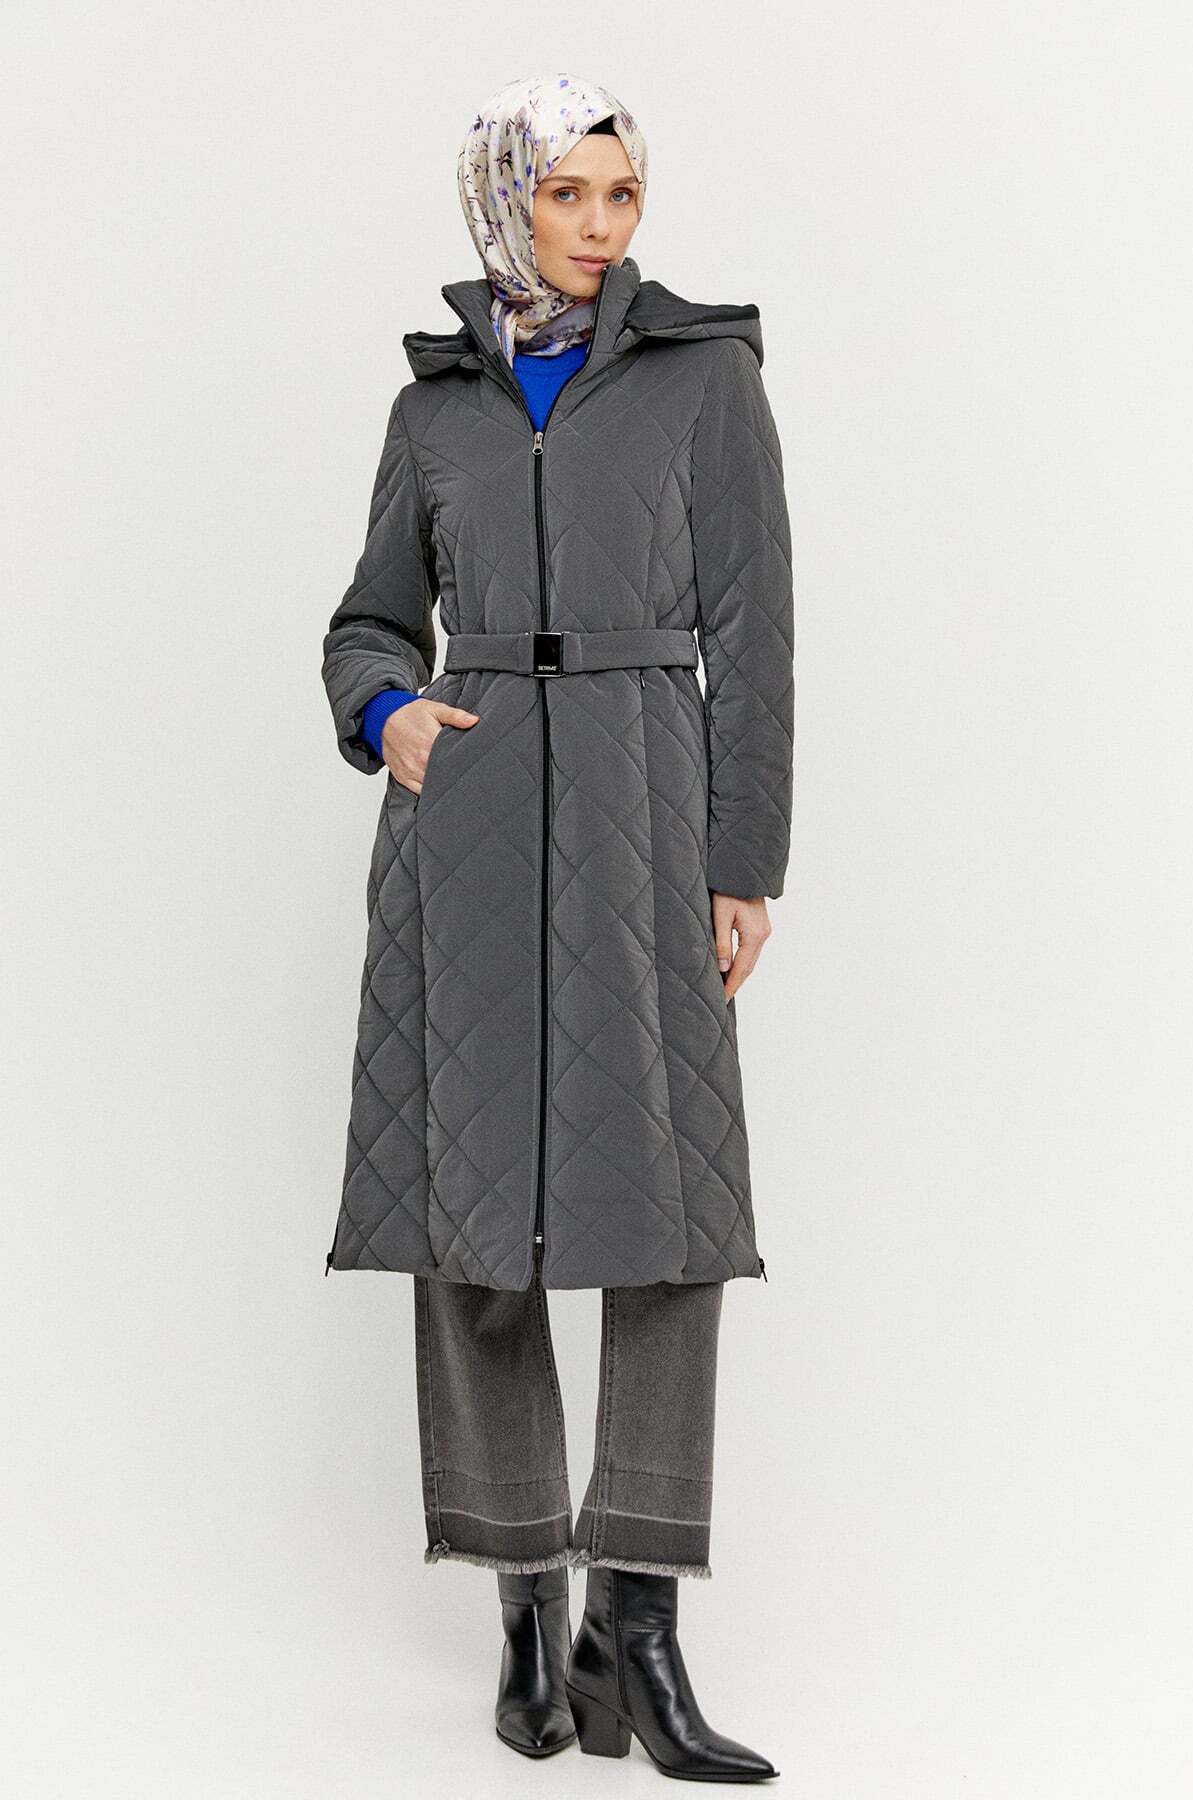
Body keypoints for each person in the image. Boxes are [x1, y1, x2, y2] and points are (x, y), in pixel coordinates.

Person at [320, 72, 794, 1782]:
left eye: (622, 194)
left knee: (671, 1218)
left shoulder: (703, 380)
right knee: (471, 1222)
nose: (598, 227)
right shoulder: (434, 407)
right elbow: (369, 623)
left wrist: (744, 859)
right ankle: (526, 1604)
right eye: (565, 194)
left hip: (644, 823)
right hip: (463, 839)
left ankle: (636, 1628)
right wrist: (393, 717)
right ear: (502, 202)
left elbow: (757, 631)